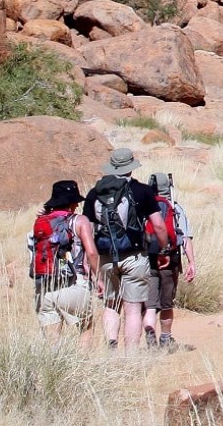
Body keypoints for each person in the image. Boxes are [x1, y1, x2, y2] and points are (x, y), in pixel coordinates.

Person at [80, 148, 162, 349]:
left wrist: (90, 262)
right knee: (132, 309)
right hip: (134, 256)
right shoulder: (142, 191)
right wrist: (161, 247)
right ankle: (131, 355)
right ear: (131, 168)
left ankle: (111, 344)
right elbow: (158, 225)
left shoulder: (94, 193)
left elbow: (88, 231)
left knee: (111, 303)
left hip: (105, 257)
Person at [30, 180, 92, 346]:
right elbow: (91, 252)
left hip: (44, 286)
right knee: (85, 326)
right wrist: (98, 278)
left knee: (52, 341)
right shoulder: (80, 221)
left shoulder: (40, 222)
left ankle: (55, 369)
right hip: (73, 283)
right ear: (72, 204)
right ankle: (82, 369)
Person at [143, 173, 193, 350]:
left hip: (147, 260)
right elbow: (185, 238)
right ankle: (165, 339)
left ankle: (150, 338)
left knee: (150, 304)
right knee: (166, 303)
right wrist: (191, 262)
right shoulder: (175, 208)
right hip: (169, 260)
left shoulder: (143, 206)